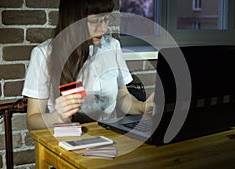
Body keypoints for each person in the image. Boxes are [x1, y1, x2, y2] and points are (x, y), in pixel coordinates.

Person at [22, 0, 154, 131]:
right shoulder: (44, 54)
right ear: (73, 21)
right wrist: (57, 117)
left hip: (110, 133)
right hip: (70, 139)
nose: (103, 28)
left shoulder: (112, 46)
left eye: (106, 19)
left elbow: (122, 96)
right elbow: (32, 120)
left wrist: (143, 107)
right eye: (95, 21)